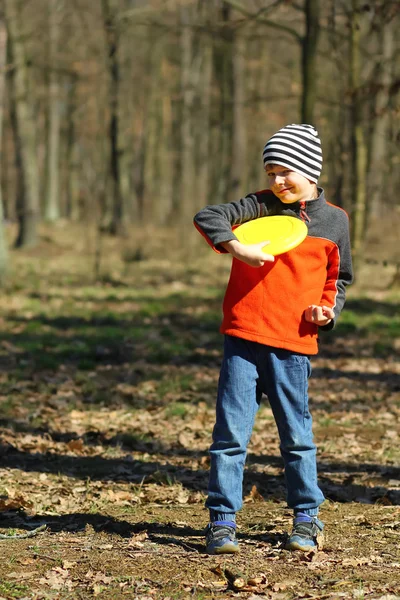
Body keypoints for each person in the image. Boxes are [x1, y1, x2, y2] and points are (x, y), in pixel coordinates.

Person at [193, 123, 353, 555]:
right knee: (230, 436)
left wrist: (327, 312)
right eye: (270, 173)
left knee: (296, 437)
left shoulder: (334, 221)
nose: (277, 181)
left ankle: (307, 518)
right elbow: (208, 216)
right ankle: (222, 522)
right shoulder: (257, 207)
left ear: (310, 170)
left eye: (286, 172)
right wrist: (236, 247)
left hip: (293, 342)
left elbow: (338, 280)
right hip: (243, 337)